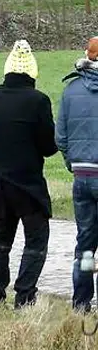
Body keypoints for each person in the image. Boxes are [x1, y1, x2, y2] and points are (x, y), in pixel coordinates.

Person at [0, 40, 57, 307]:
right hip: (27, 184)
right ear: (32, 73)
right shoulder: (38, 101)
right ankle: (24, 295)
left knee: (1, 240)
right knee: (36, 240)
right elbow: (49, 147)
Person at [58, 37, 98, 312]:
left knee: (85, 241)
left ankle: (81, 301)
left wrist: (72, 163)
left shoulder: (70, 90)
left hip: (82, 176)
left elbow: (61, 137)